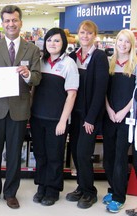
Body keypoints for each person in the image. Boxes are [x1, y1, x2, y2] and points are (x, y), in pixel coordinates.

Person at [0, 5, 41, 209]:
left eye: (14, 20)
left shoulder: (31, 49)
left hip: (19, 109)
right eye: (7, 20)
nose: (11, 24)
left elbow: (37, 77)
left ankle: (10, 193)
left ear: (21, 22)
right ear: (2, 23)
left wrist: (27, 75)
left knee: (15, 154)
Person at [30, 28, 79, 206]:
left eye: (57, 41)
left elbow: (71, 95)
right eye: (49, 40)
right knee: (40, 155)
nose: (52, 43)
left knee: (54, 156)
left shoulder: (69, 64)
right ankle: (41, 186)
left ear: (63, 43)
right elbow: (34, 89)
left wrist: (63, 121)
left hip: (56, 120)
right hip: (37, 117)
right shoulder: (40, 62)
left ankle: (52, 190)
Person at [65, 20, 109, 209]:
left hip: (89, 116)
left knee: (83, 153)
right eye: (82, 33)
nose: (85, 36)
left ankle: (90, 192)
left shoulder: (99, 57)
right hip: (74, 113)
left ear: (94, 36)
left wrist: (91, 118)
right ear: (78, 34)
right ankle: (81, 187)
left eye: (89, 33)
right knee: (75, 151)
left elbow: (100, 90)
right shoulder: (73, 55)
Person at [102, 29, 137, 213]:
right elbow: (104, 91)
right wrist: (109, 109)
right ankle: (113, 188)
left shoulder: (135, 65)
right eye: (120, 40)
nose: (123, 44)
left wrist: (124, 112)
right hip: (109, 116)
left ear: (132, 45)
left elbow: (135, 94)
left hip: (126, 118)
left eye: (127, 41)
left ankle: (119, 196)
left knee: (120, 158)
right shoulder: (110, 63)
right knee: (108, 157)